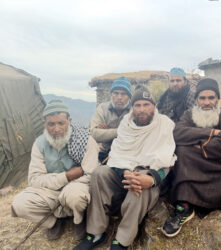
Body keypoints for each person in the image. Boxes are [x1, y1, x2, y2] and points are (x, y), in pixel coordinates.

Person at [74, 86, 177, 250]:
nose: (141, 109)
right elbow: (117, 156)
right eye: (137, 105)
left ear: (154, 107)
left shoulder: (164, 125)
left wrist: (151, 179)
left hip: (151, 178)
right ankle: (96, 234)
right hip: (124, 173)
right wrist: (124, 171)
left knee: (139, 181)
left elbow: (168, 162)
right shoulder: (126, 124)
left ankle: (122, 241)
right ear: (133, 107)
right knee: (99, 173)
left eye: (146, 105)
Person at [161, 78, 221, 237]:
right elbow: (177, 133)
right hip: (196, 163)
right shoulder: (189, 114)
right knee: (182, 151)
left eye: (211, 98)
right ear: (196, 100)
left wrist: (203, 146)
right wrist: (213, 133)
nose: (207, 102)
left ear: (217, 99)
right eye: (202, 98)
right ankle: (185, 206)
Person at [11, 100, 99, 241]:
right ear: (44, 123)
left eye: (61, 123)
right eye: (51, 124)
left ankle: (79, 220)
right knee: (19, 204)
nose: (56, 129)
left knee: (74, 195)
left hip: (78, 186)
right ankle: (53, 222)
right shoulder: (40, 144)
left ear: (69, 121)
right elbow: (34, 179)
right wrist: (66, 176)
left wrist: (70, 185)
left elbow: (91, 174)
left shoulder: (86, 140)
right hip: (51, 190)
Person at [90, 76, 132, 162]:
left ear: (129, 96)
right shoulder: (102, 108)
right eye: (116, 93)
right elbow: (94, 134)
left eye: (123, 94)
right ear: (111, 94)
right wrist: (121, 131)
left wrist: (107, 132)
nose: (119, 97)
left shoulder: (134, 111)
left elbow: (135, 134)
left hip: (127, 153)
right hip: (105, 152)